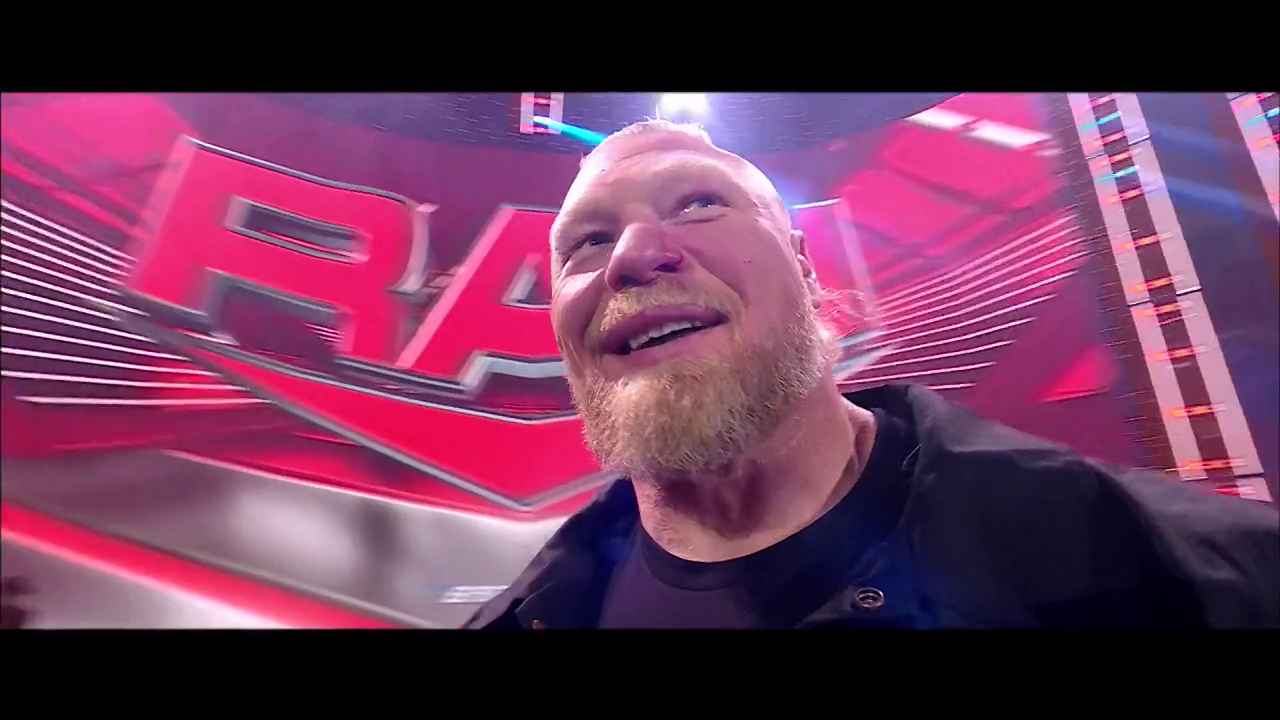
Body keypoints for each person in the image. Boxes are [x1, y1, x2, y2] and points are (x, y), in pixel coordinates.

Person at [464, 119, 1280, 629]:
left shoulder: (1172, 573)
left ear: (805, 267)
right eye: (589, 242)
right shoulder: (532, 613)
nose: (635, 255)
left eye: (698, 205)